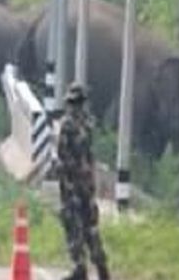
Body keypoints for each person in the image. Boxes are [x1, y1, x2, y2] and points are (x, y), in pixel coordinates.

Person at [57, 84, 110, 280]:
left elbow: (63, 155)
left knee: (74, 224)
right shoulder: (89, 124)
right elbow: (90, 156)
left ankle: (80, 268)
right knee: (91, 227)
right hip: (86, 185)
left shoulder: (68, 125)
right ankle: (102, 268)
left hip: (72, 185)